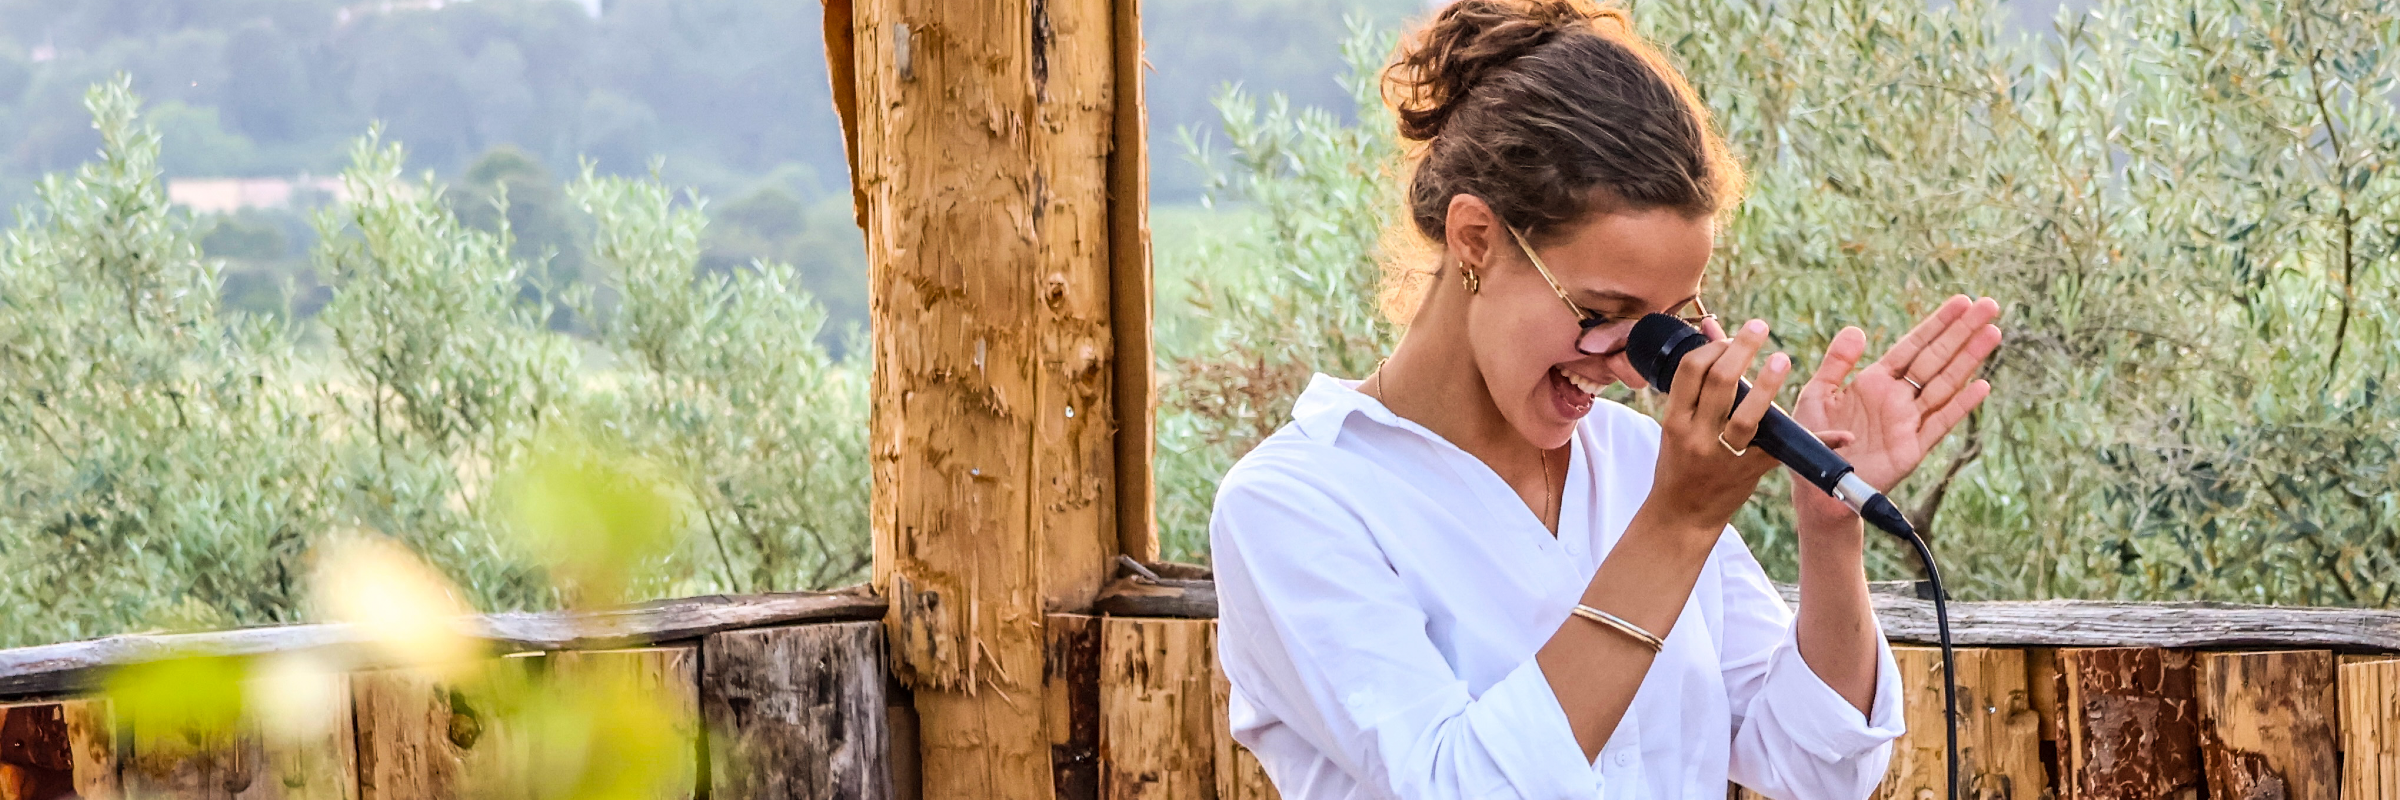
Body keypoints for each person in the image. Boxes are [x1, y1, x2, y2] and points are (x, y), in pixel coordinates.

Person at [1207, 1, 2006, 798]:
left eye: (1664, 328)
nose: (1630, 367)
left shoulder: (1631, 464)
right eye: (1600, 314)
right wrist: (1677, 524)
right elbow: (1462, 785)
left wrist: (1828, 532)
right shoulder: (1294, 504)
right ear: (1476, 240)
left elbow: (1812, 767)